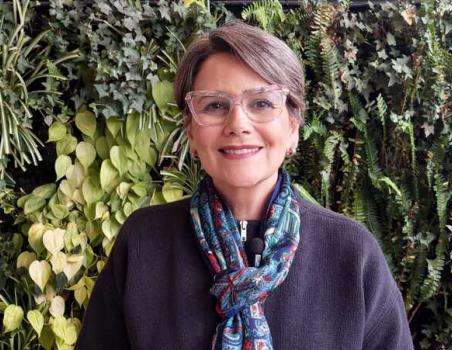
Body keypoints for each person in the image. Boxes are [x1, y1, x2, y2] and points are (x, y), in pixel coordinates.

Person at [76, 21, 414, 350]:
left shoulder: (351, 254)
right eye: (215, 105)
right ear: (191, 132)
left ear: (293, 127)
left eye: (262, 103)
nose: (238, 124)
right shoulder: (143, 243)